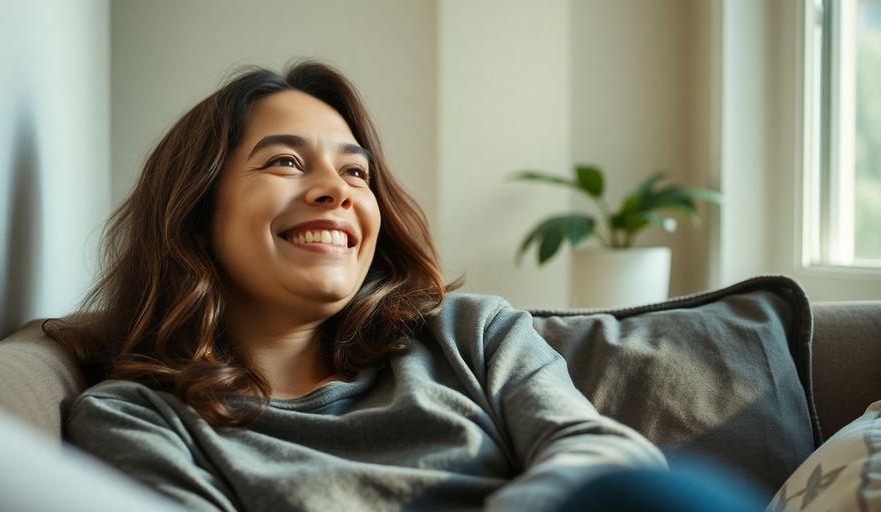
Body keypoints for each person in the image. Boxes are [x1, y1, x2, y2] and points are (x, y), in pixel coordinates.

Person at [45, 60, 667, 512]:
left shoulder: (472, 335)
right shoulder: (138, 419)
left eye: (355, 172)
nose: (336, 191)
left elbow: (604, 457)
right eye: (286, 161)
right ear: (196, 212)